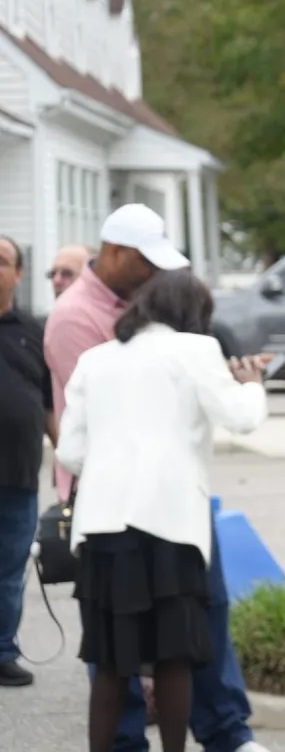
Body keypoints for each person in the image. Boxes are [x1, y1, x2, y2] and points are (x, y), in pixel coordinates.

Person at [44, 204, 270, 752]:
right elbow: (241, 419)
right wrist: (253, 385)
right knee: (173, 657)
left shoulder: (98, 359)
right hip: (171, 527)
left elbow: (70, 450)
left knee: (112, 664)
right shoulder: (197, 350)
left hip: (102, 530)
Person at [0, 234, 59, 688]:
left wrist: (68, 467)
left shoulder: (33, 331)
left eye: (3, 261)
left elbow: (47, 406)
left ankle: (3, 650)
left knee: (10, 572)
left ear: (18, 274)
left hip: (18, 477)